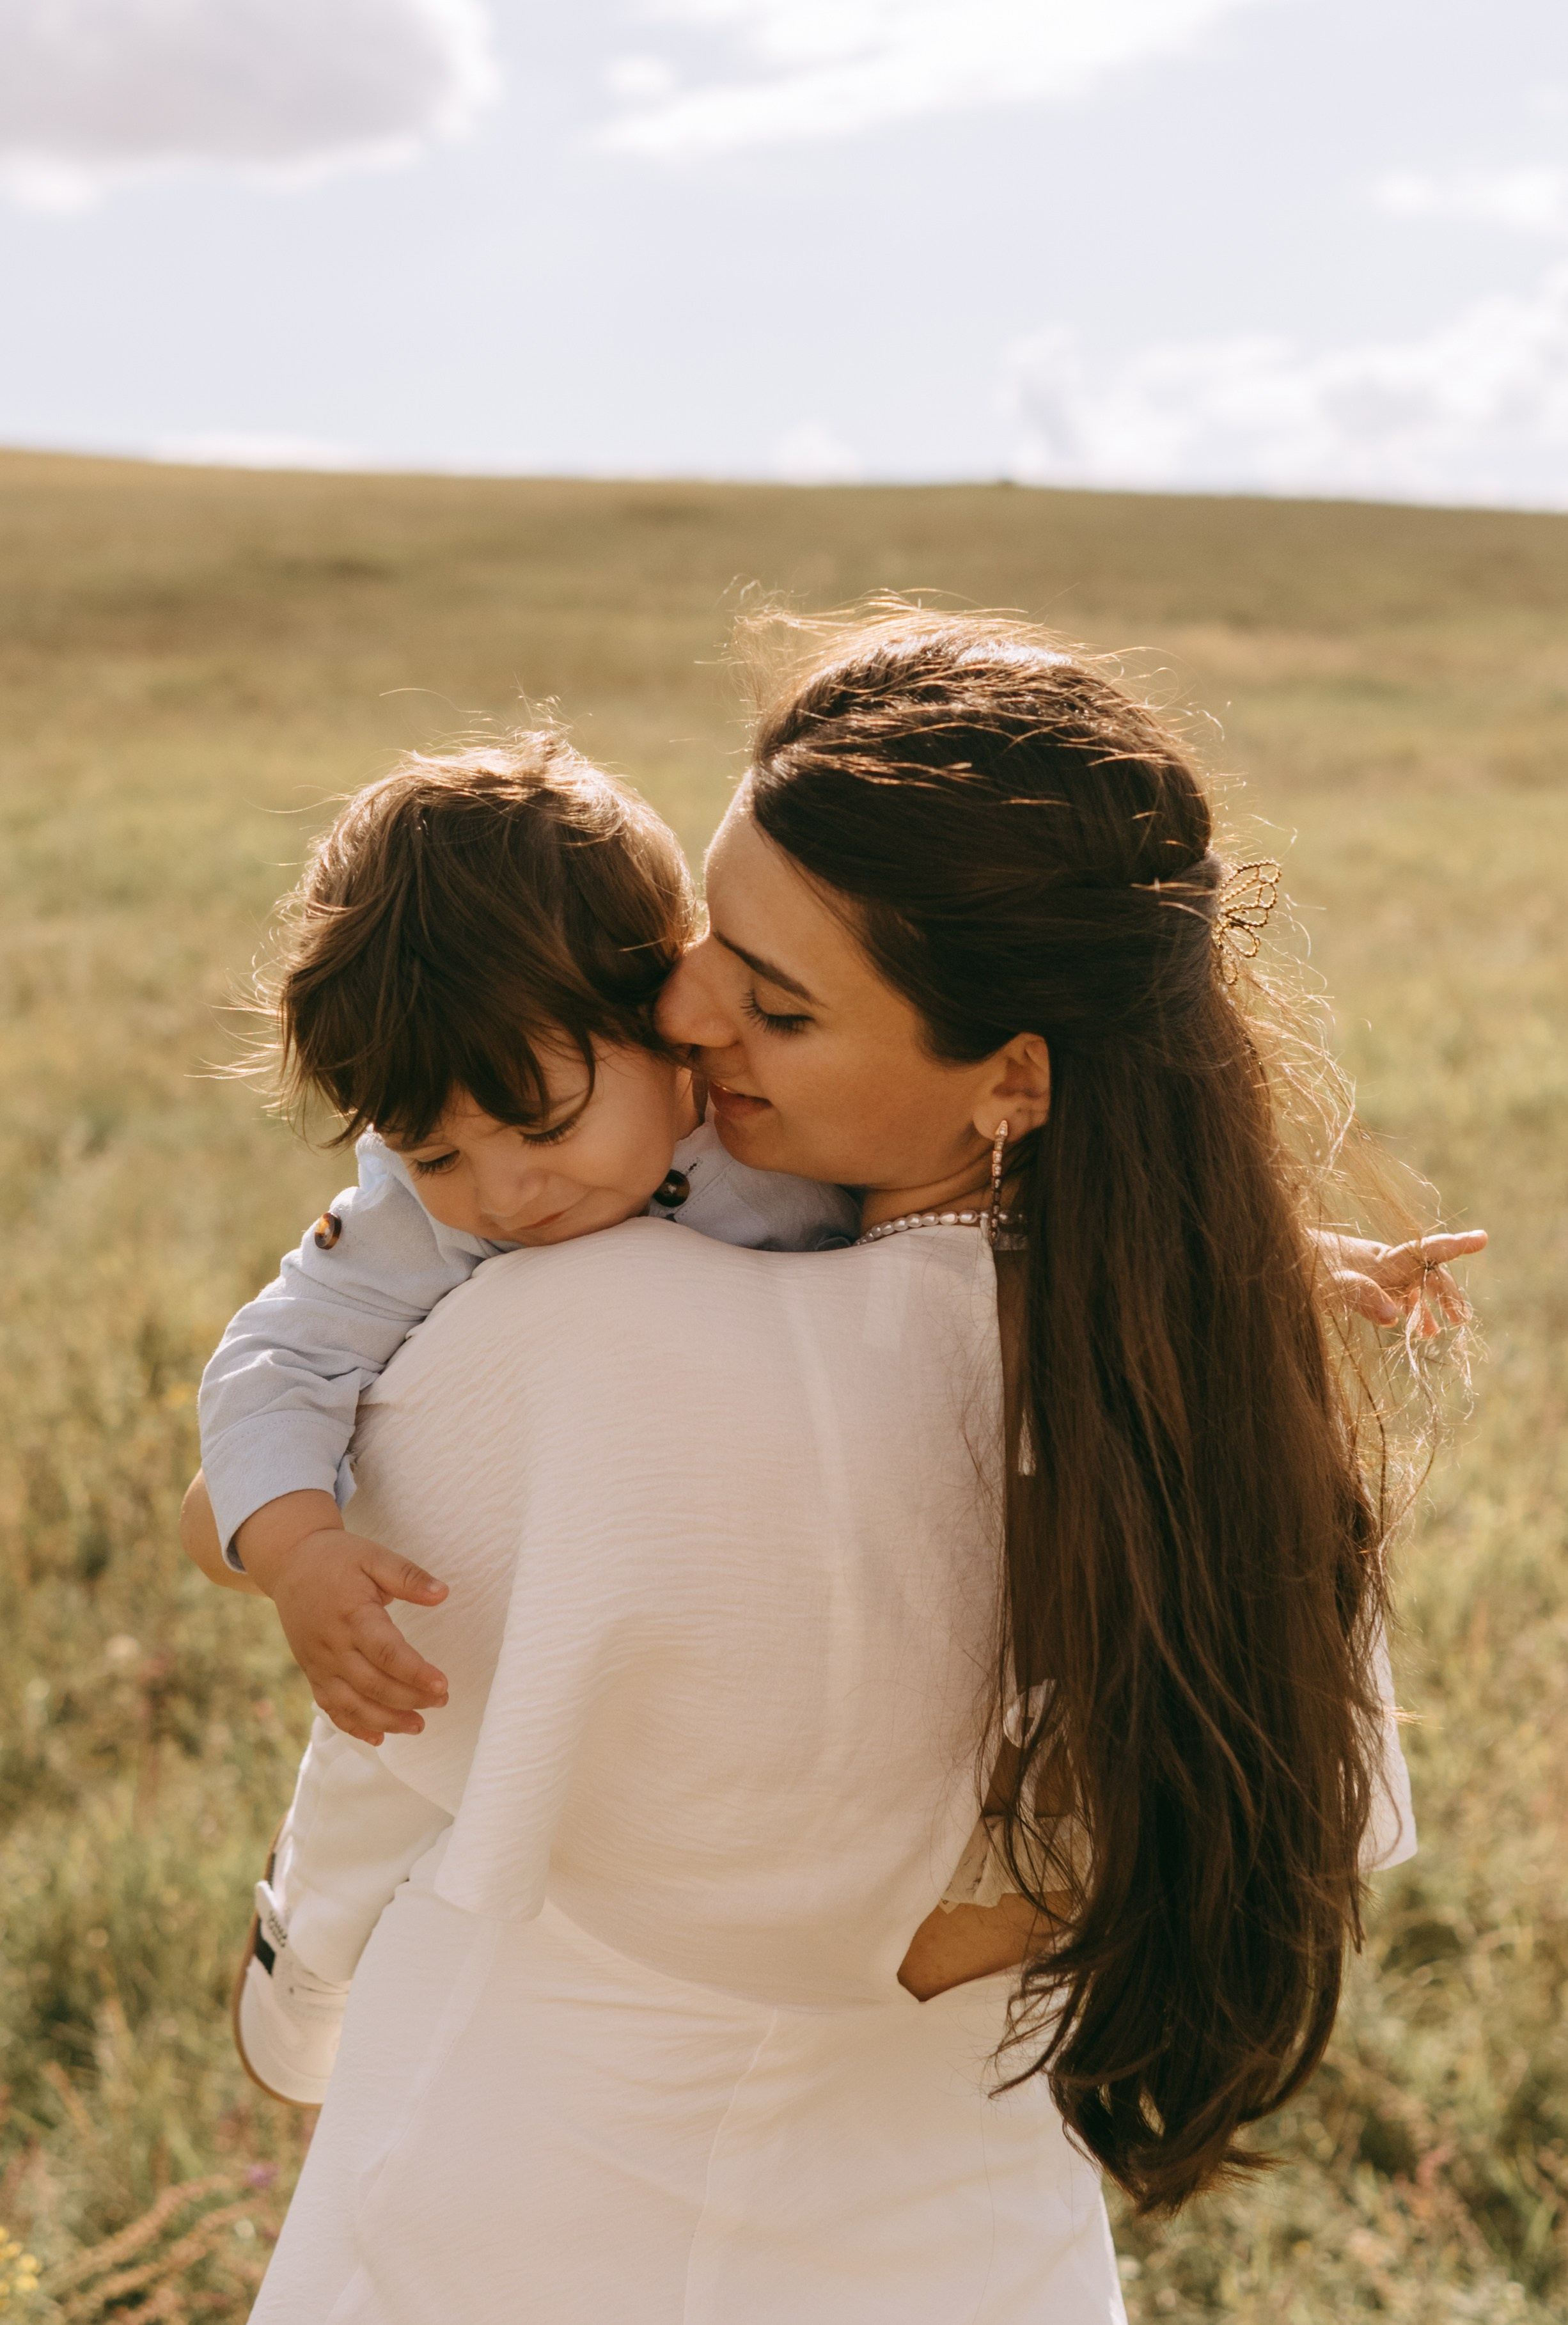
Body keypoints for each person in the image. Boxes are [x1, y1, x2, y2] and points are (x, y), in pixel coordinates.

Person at [235, 607, 1476, 2321]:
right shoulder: (1221, 1386)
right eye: (704, 940)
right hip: (962, 2244)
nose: (679, 1004)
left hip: (529, 2207)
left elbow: (383, 1725)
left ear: (1010, 1077)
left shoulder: (572, 1342)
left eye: (777, 1001)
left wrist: (298, 2005)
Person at [184, 735, 856, 2102]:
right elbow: (276, 1363)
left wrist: (1278, 1258)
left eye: (540, 1126)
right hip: (458, 1594)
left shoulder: (777, 1137)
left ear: (666, 1007)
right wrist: (301, 1544)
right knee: (385, 1759)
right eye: (435, 1154)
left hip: (689, 1587)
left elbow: (1012, 1226)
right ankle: (306, 1946)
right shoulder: (403, 1227)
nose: (500, 1193)